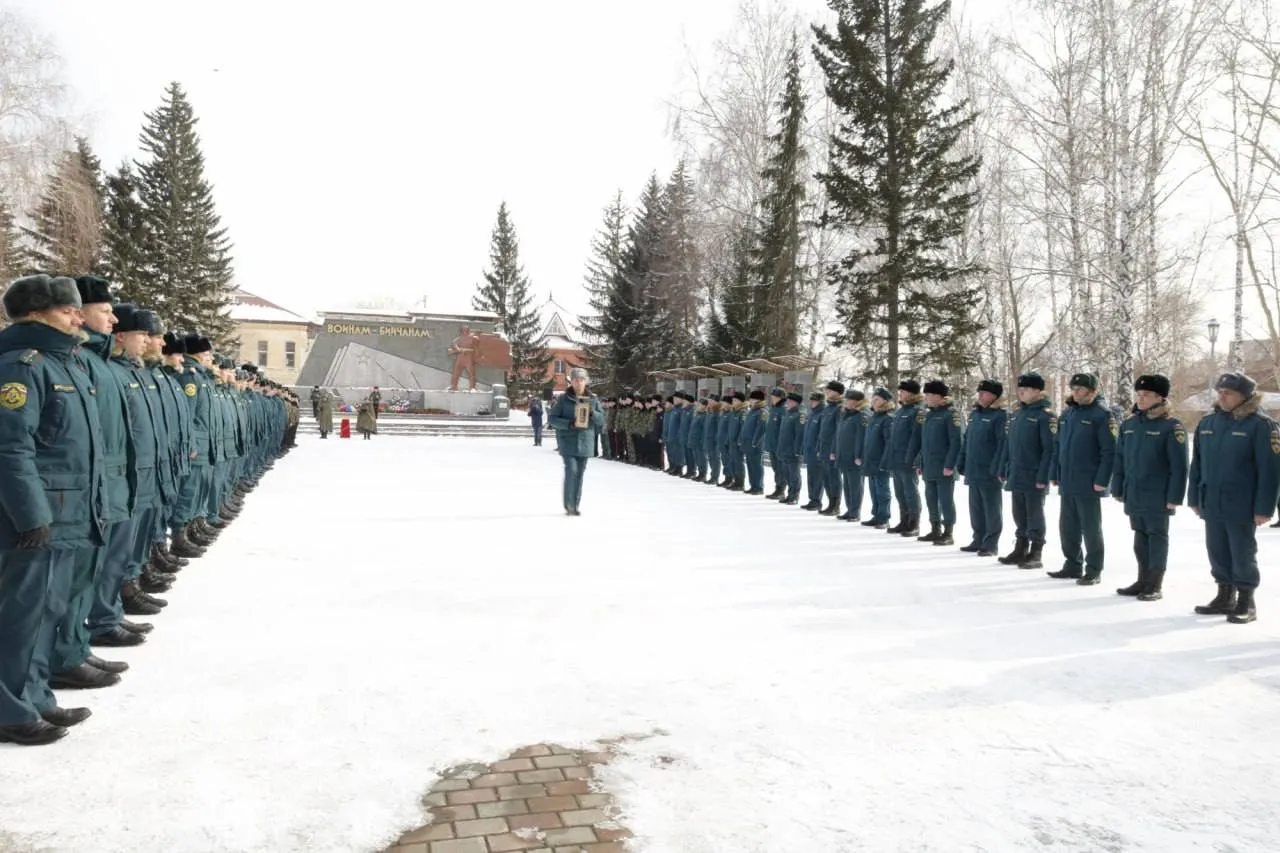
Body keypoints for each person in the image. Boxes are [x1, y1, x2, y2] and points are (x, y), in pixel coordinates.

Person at [0, 274, 105, 746]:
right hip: (33, 518)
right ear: (35, 314)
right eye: (67, 311)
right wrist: (31, 514)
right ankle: (10, 709)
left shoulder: (65, 363)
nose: (76, 317)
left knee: (47, 609)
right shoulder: (23, 366)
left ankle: (35, 695)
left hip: (66, 513)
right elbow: (9, 447)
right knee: (22, 613)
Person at [1187, 371, 1280, 623]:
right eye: (1221, 391)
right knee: (1217, 550)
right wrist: (1194, 497)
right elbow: (1197, 465)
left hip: (1242, 503)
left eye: (1229, 392)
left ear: (1245, 395)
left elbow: (1270, 472)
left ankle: (1246, 601)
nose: (1222, 396)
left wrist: (1264, 508)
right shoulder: (1208, 423)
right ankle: (1224, 595)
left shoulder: (1261, 426)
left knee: (1242, 552)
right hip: (1212, 500)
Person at [1110, 374, 1188, 601]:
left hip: (1158, 494)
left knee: (1157, 536)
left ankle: (1155, 582)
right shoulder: (1130, 424)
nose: (1141, 399)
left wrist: (1174, 496)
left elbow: (1179, 466)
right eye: (1139, 395)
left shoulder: (1171, 426)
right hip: (1134, 491)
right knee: (1140, 536)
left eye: (1147, 395)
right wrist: (1118, 486)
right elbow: (1120, 459)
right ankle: (1142, 578)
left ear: (1161, 397)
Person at [548, 368, 604, 516]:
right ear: (571, 382)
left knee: (579, 474)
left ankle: (575, 505)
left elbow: (601, 420)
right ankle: (569, 505)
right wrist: (568, 424)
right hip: (568, 441)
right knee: (571, 470)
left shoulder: (592, 399)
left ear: (586, 381)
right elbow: (552, 419)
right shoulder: (563, 399)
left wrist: (593, 413)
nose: (578, 383)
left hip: (586, 442)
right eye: (575, 380)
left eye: (581, 379)